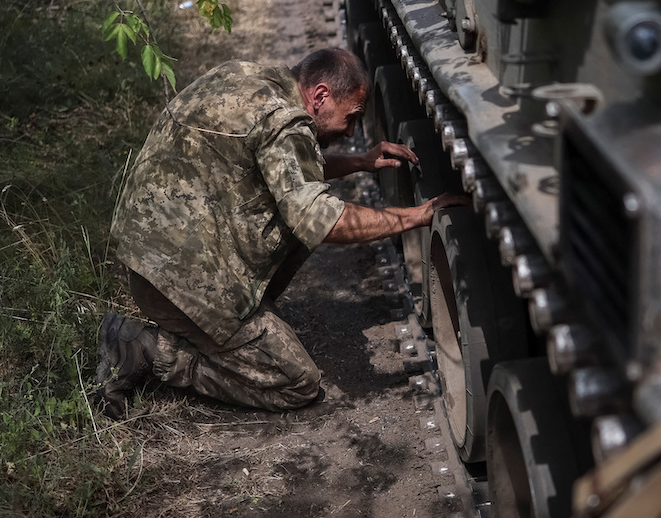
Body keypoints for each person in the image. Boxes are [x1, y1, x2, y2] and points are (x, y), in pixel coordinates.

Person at [97, 48, 466, 418]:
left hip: (153, 251)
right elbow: (322, 219)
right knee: (297, 382)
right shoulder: (283, 120)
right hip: (178, 281)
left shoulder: (248, 77)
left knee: (296, 213)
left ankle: (236, 331)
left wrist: (360, 162)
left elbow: (287, 169)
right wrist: (418, 215)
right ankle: (145, 349)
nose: (351, 131)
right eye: (351, 117)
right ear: (320, 96)